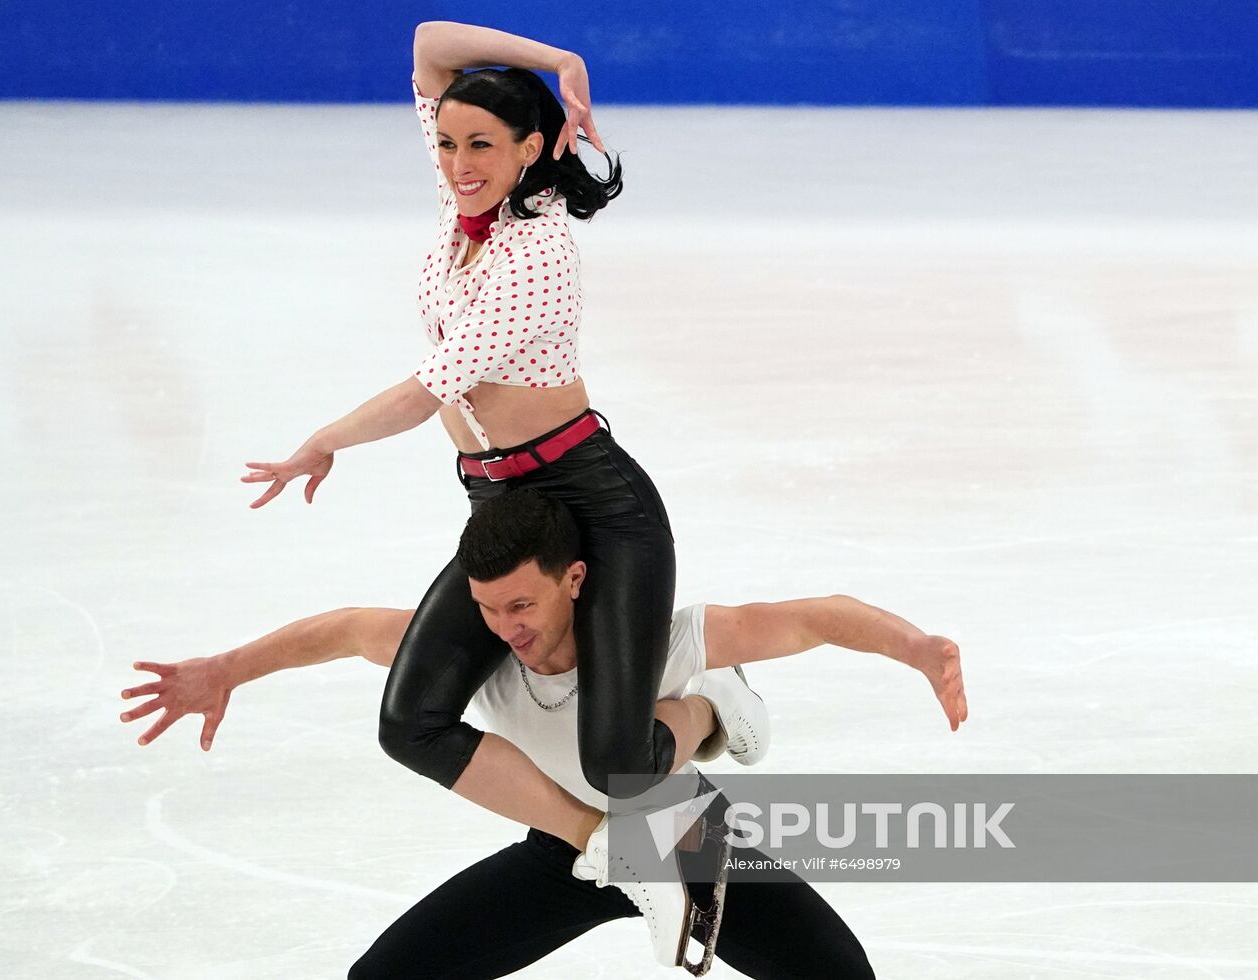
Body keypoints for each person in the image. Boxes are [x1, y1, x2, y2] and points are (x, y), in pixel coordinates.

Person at [122, 492, 969, 977]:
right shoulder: (480, 652)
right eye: (488, 610)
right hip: (568, 846)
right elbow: (348, 629)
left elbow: (810, 619)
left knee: (839, 979)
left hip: (679, 836)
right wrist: (226, 669)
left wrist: (919, 649)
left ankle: (709, 706)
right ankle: (708, 714)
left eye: (521, 606)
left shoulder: (654, 639)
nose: (506, 628)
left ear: (573, 579)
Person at [238, 21, 693, 840]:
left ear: (531, 149)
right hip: (500, 504)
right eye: (445, 144)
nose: (456, 164)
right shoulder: (471, 199)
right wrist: (557, 61)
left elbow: (427, 393)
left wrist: (324, 440)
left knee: (619, 765)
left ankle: (712, 708)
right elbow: (428, 44)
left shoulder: (536, 253)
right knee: (410, 721)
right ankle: (594, 846)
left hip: (592, 500)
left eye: (479, 145)